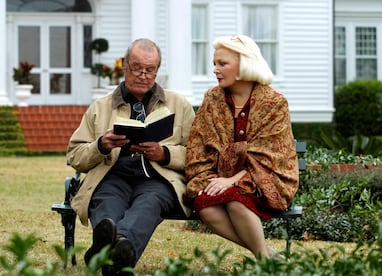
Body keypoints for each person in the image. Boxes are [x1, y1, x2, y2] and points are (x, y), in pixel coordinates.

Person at [67, 38, 195, 275]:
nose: (143, 75)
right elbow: (75, 155)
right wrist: (101, 146)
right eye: (137, 68)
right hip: (112, 175)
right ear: (125, 65)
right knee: (106, 201)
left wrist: (165, 153)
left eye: (150, 70)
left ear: (157, 71)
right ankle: (119, 252)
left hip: (158, 178)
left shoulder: (180, 105)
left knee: (150, 203)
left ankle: (110, 249)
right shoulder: (100, 107)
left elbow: (197, 155)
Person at [184, 35, 299, 259]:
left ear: (244, 65)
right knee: (204, 205)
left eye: (222, 64)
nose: (215, 70)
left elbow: (273, 156)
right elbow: (199, 144)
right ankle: (266, 255)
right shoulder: (212, 98)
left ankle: (263, 260)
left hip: (266, 178)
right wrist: (213, 178)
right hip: (219, 177)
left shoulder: (274, 102)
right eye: (214, 64)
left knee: (236, 201)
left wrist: (231, 180)